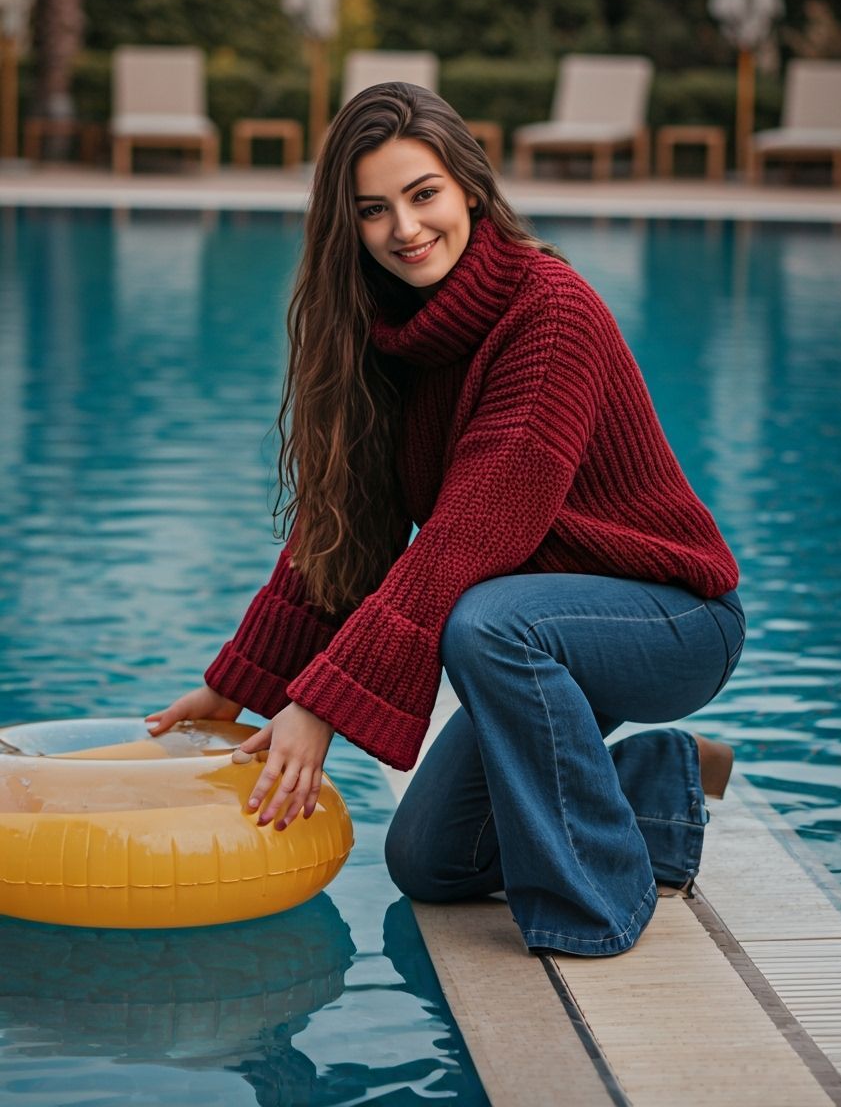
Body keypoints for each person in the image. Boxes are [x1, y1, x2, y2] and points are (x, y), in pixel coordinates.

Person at [146, 82, 746, 958]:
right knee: (430, 860)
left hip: (672, 619)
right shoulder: (383, 335)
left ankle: (597, 908)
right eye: (374, 210)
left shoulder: (550, 312)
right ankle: (660, 780)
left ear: (469, 186)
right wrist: (242, 681)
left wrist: (320, 702)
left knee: (483, 621)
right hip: (537, 631)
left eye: (423, 194)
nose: (406, 228)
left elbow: (474, 531)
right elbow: (343, 530)